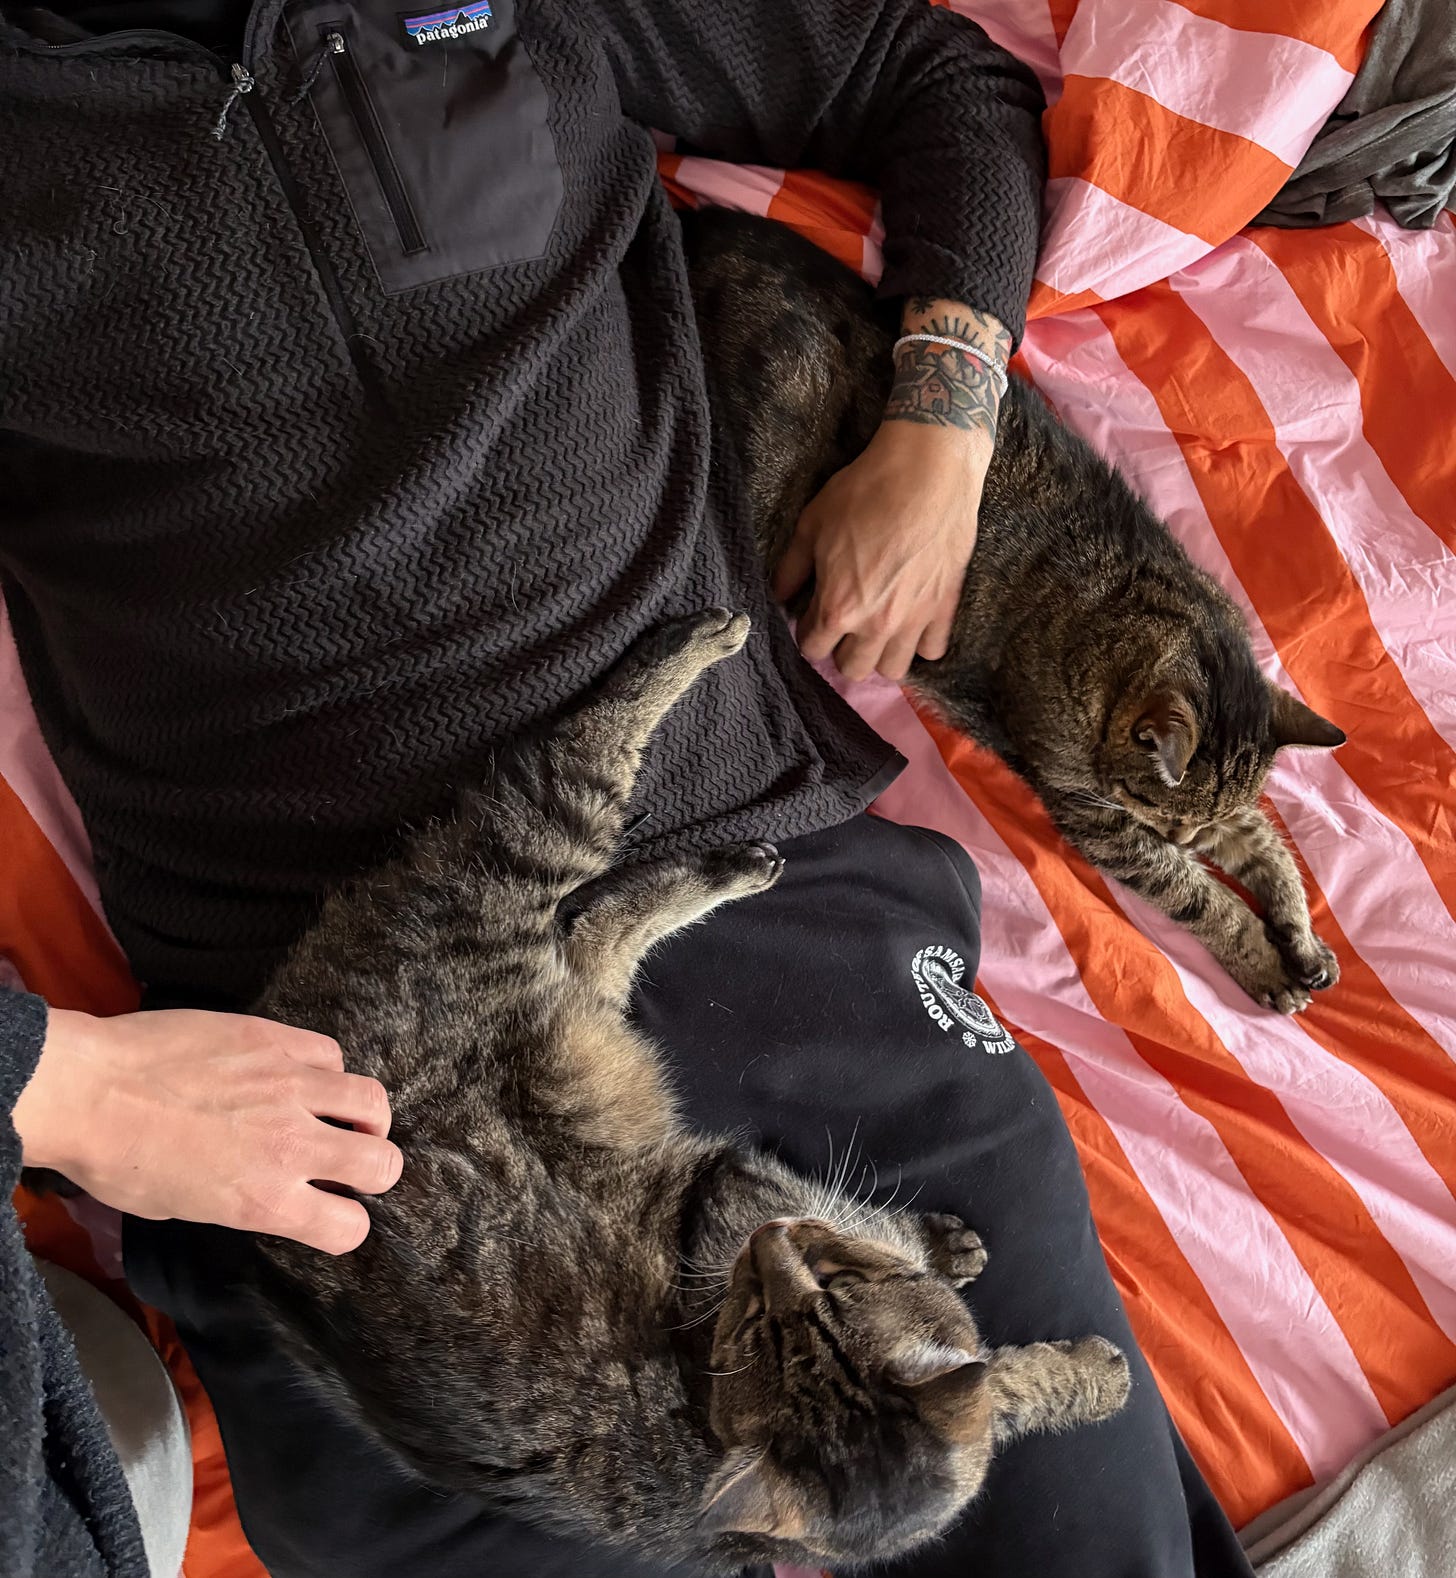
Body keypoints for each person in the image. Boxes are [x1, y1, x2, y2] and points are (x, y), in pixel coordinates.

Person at [0, 0, 1256, 1574]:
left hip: (748, 875)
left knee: (1089, 1543)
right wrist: (64, 1083)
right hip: (337, 1070)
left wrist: (943, 421)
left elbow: (928, 79)